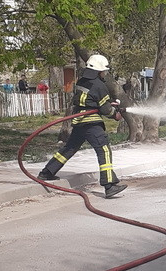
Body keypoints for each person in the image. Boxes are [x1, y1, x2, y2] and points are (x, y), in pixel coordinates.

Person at [38, 54, 127, 199]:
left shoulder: (82, 81)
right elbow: (105, 109)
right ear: (99, 71)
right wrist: (115, 115)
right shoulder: (99, 85)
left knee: (69, 148)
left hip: (79, 121)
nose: (105, 73)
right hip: (91, 123)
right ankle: (109, 185)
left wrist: (106, 104)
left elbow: (90, 100)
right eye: (104, 71)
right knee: (104, 150)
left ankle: (47, 172)